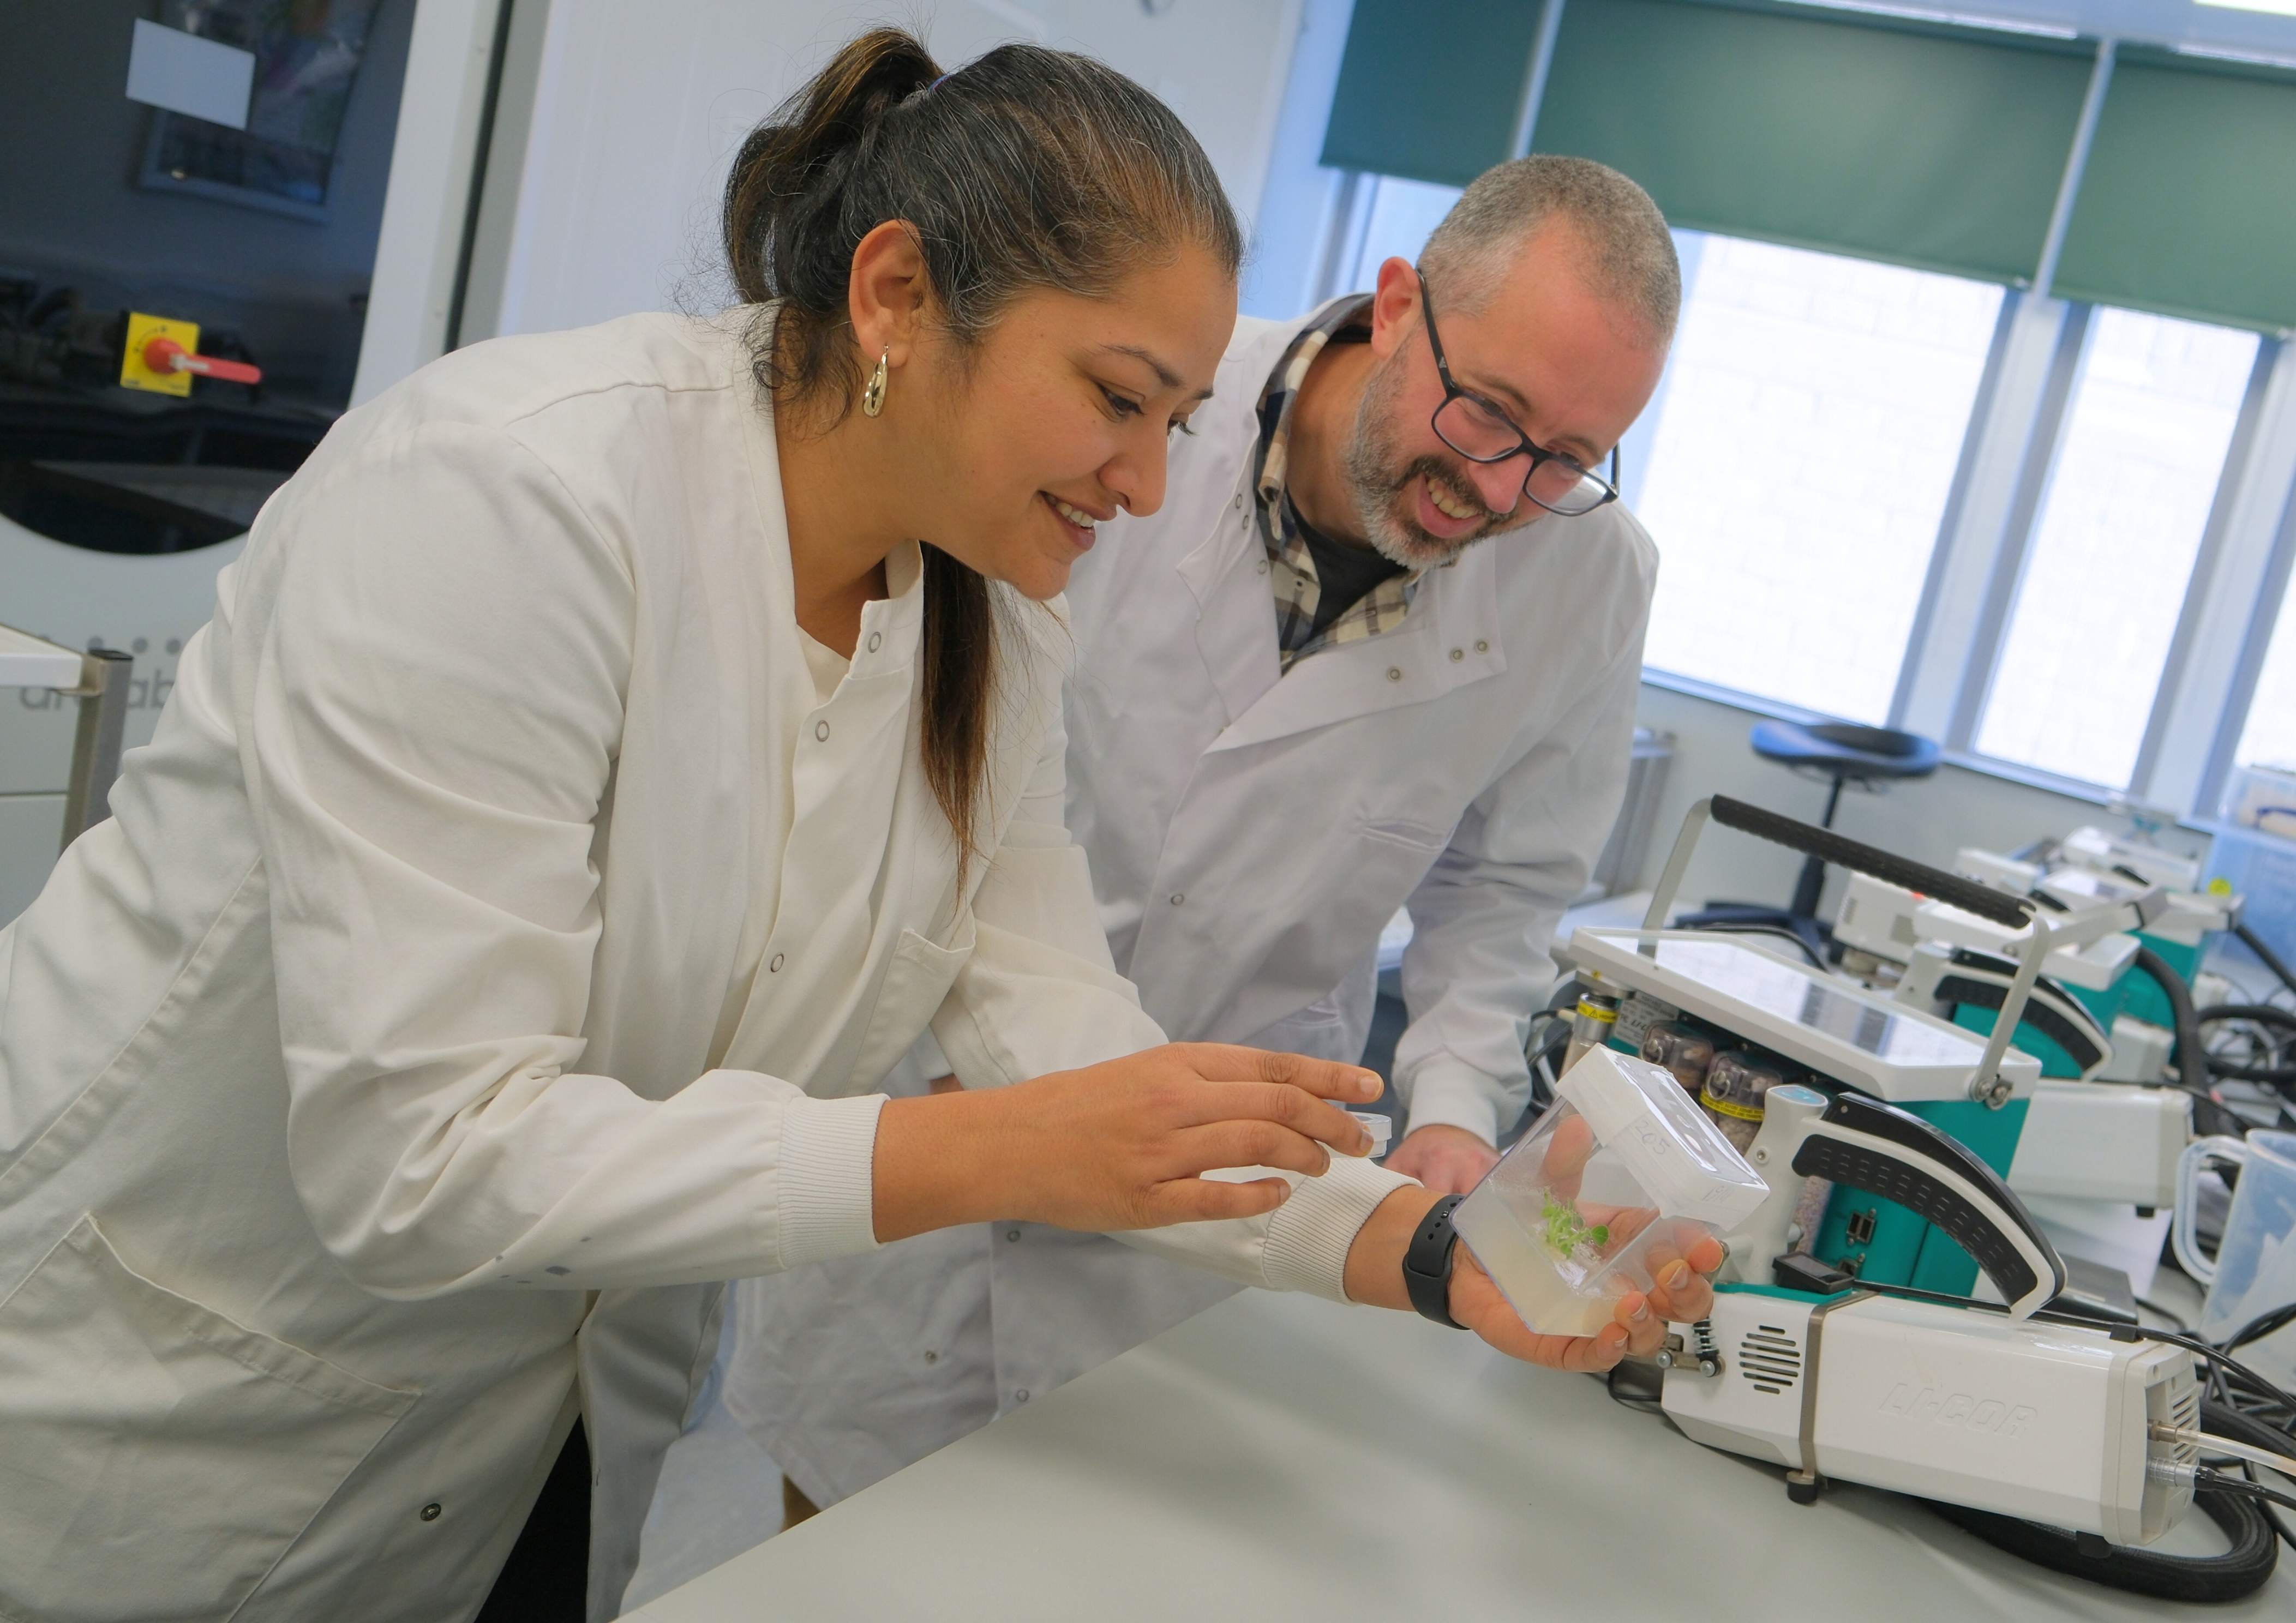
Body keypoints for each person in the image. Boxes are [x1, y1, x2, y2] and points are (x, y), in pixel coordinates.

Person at [0, 35, 1712, 1623]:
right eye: (1115, 400)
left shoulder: (987, 628)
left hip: (525, 1444)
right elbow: (423, 1161)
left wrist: (1432, 1249)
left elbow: (1072, 1045)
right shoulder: (508, 502)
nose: (1141, 484)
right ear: (896, 293)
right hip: (168, 1410)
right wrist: (993, 1151)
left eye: (1175, 426)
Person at [726, 156, 1683, 1519]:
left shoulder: (1587, 576)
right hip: (936, 1102)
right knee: (832, 1547)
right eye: (1488, 415)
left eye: (1566, 460)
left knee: (1112, 1556)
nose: (1498, 489)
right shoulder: (1135, 408)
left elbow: (1504, 890)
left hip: (1238, 1192)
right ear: (1398, 304)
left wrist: (1456, 1120)